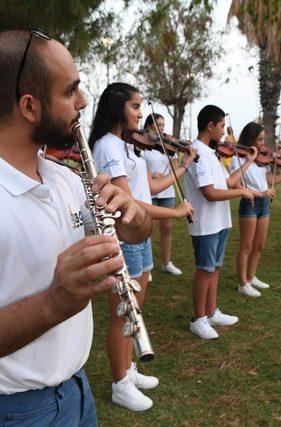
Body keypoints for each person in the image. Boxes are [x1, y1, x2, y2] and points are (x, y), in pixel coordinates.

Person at [0, 29, 152, 426]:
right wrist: (54, 301)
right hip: (5, 413)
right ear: (30, 106)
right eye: (71, 91)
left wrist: (135, 217)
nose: (83, 102)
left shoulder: (65, 179)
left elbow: (135, 234)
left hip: (75, 391)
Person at [89, 82, 195, 412]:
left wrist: (184, 164)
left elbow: (149, 187)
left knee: (136, 310)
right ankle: (119, 383)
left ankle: (128, 370)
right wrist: (175, 212)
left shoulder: (127, 146)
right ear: (119, 108)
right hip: (124, 235)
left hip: (141, 234)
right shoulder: (107, 146)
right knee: (124, 314)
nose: (140, 112)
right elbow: (128, 202)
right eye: (135, 106)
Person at [184, 105, 255, 339]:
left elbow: (228, 183)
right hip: (205, 223)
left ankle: (211, 311)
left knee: (214, 267)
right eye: (222, 126)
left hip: (219, 221)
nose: (224, 132)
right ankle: (198, 318)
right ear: (210, 126)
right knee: (205, 269)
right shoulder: (196, 153)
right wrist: (241, 194)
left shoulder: (211, 152)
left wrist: (248, 161)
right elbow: (210, 193)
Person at [232, 122, 281, 297]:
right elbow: (236, 185)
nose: (263, 144)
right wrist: (260, 193)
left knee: (259, 245)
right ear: (250, 139)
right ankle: (242, 283)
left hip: (264, 204)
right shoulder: (238, 158)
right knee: (246, 246)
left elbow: (271, 180)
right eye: (260, 139)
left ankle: (251, 276)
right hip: (250, 203)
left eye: (264, 139)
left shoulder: (264, 160)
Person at [141, 113, 184, 276]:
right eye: (158, 125)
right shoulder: (143, 145)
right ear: (149, 126)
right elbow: (140, 169)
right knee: (148, 229)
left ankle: (167, 263)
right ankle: (147, 265)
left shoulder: (168, 147)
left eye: (163, 125)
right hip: (150, 190)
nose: (161, 128)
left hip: (167, 191)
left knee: (167, 228)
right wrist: (152, 176)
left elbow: (175, 166)